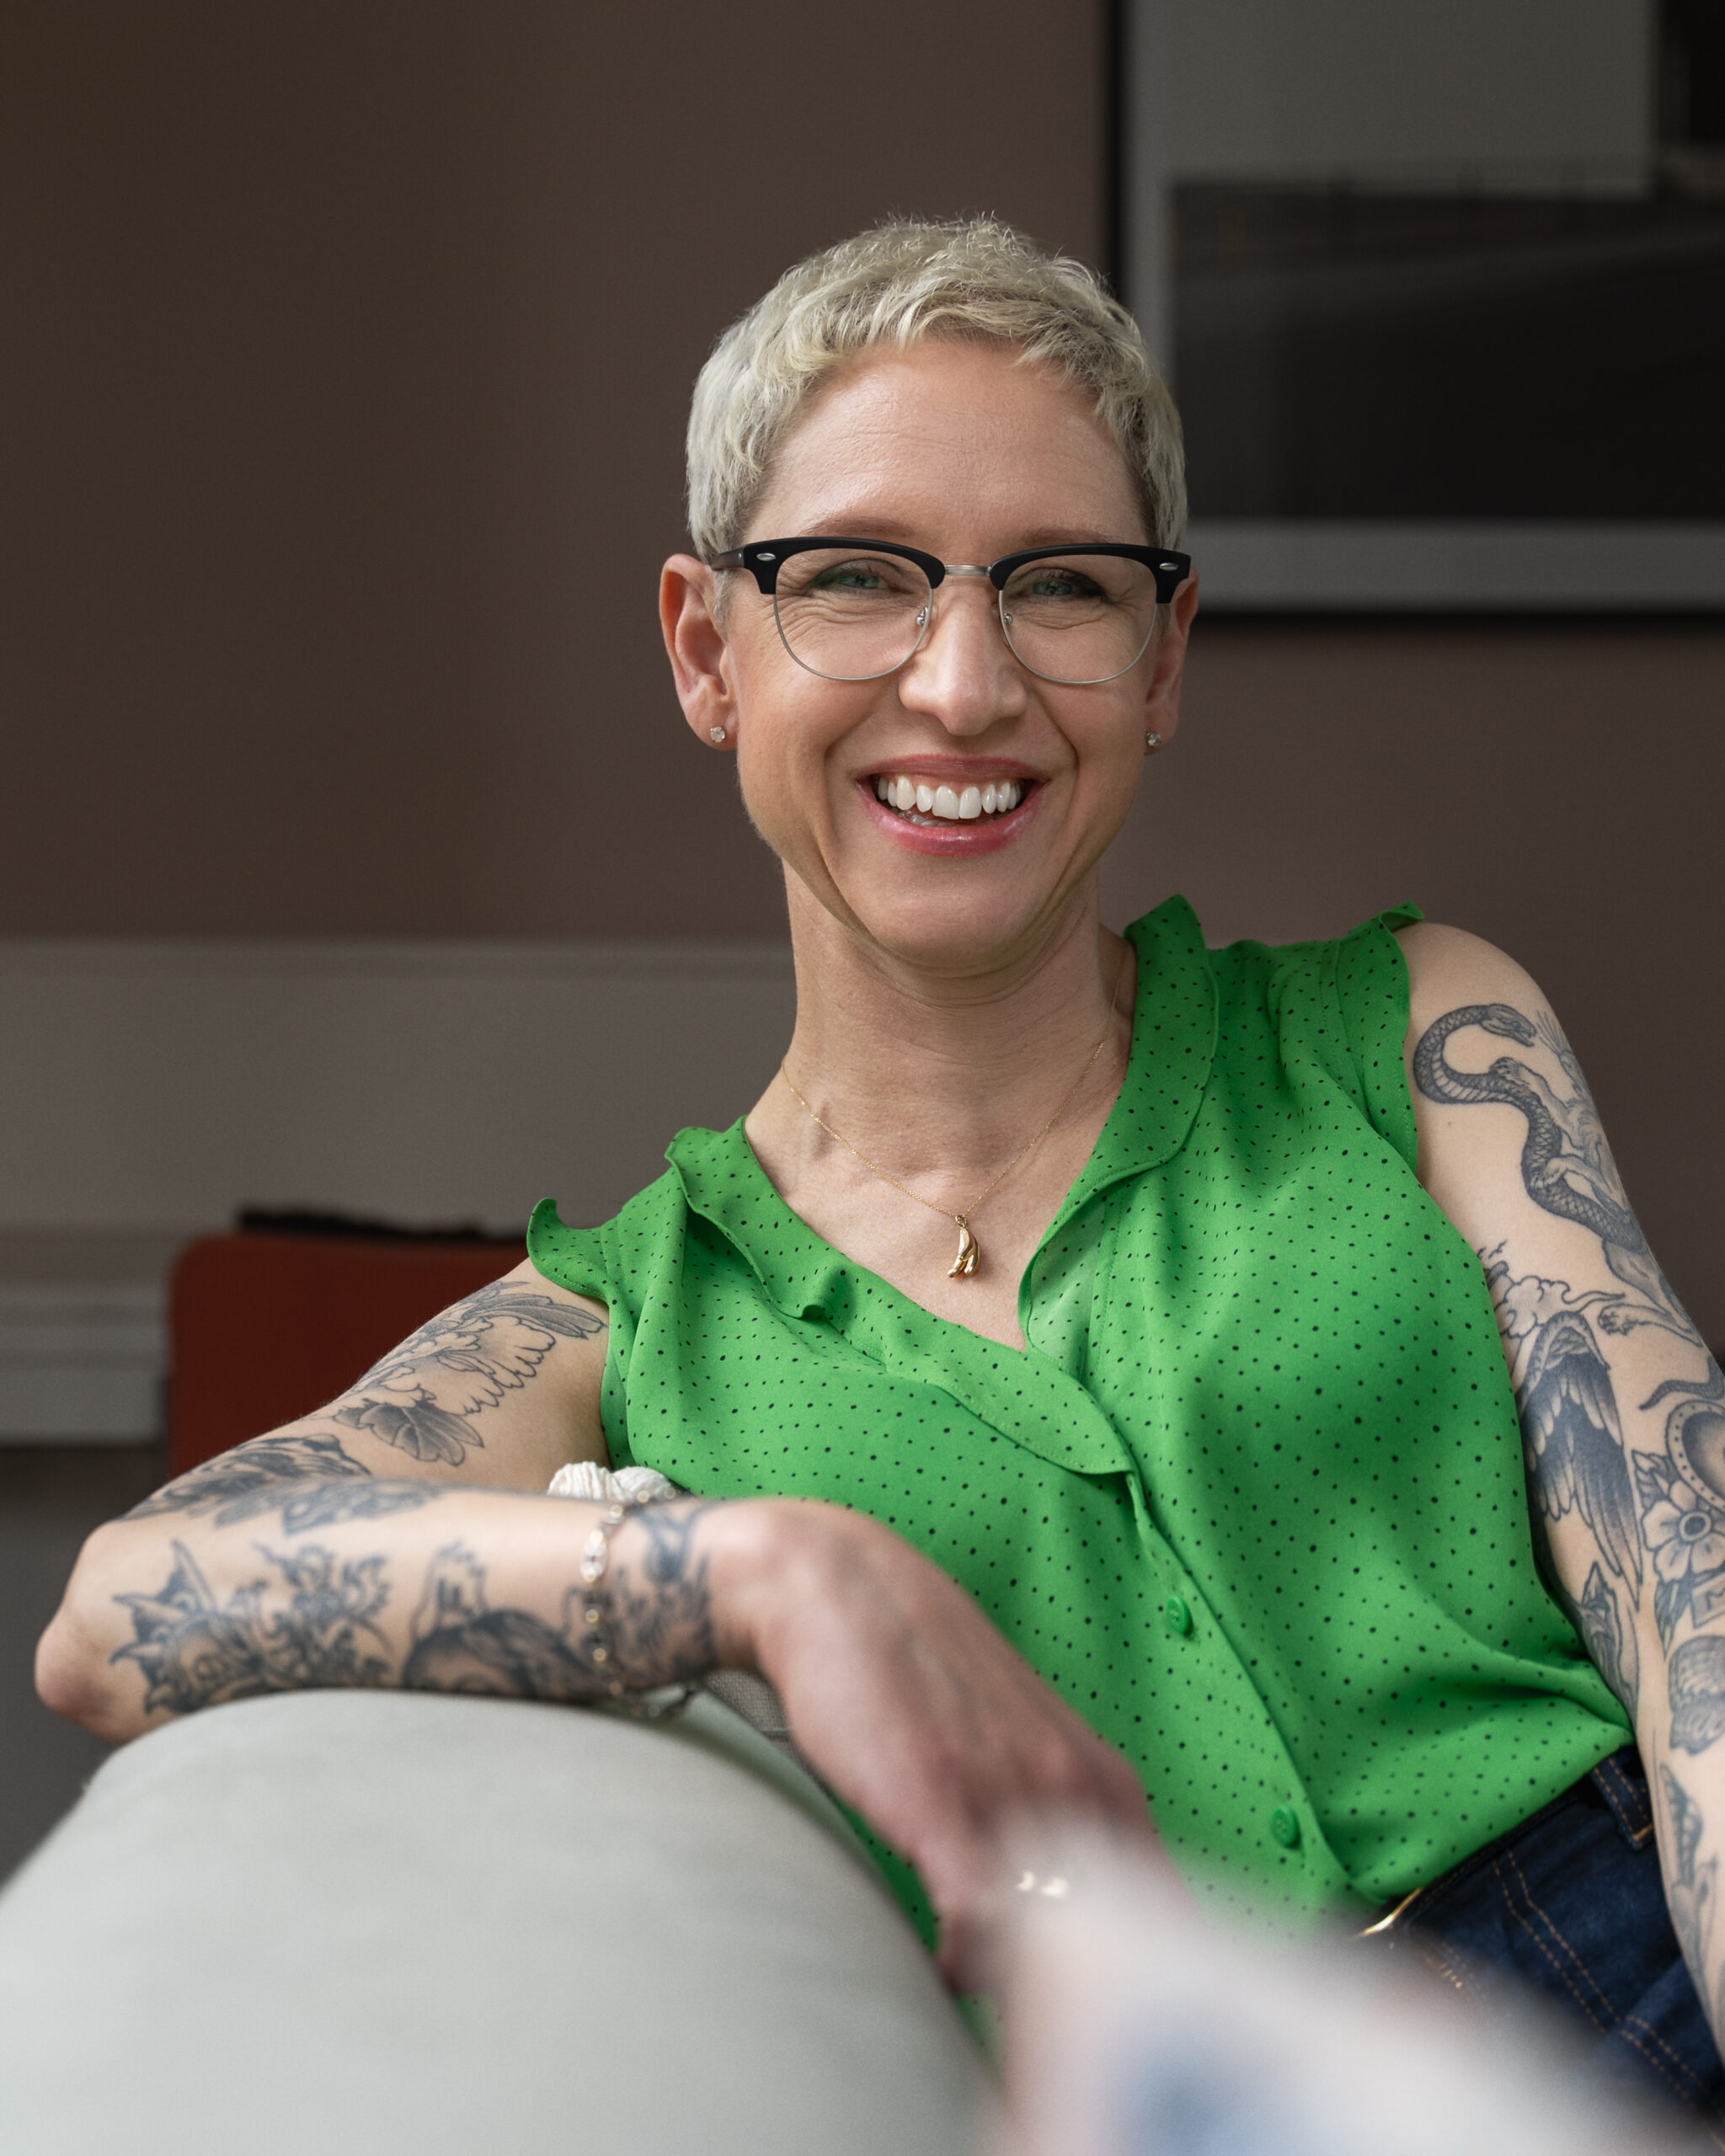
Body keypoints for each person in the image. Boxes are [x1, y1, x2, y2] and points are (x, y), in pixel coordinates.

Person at [36, 219, 1725, 2122]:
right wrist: (766, 1568)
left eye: (1062, 587)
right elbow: (120, 1609)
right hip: (1161, 2088)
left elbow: (1695, 1598)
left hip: (1640, 1988)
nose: (965, 684)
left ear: (1162, 657)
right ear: (707, 651)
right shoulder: (620, 1326)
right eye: (856, 577)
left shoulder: (1418, 1032)